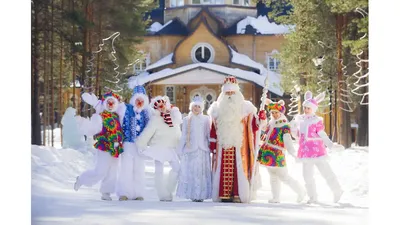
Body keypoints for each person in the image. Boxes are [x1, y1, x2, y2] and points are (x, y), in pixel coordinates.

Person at [207, 76, 267, 203]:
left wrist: (261, 119)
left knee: (239, 170)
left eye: (232, 92)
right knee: (223, 170)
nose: (229, 95)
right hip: (222, 146)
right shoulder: (216, 108)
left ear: (237, 93)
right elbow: (212, 128)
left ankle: (238, 194)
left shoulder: (246, 108)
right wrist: (212, 145)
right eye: (227, 92)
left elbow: (254, 126)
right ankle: (224, 194)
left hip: (240, 146)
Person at [290, 91, 344, 204]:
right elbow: (297, 136)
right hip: (305, 152)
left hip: (317, 151)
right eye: (305, 107)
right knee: (307, 176)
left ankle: (337, 190)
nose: (306, 110)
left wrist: (330, 145)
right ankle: (313, 196)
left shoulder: (317, 121)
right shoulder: (301, 120)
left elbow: (322, 134)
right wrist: (293, 129)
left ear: (313, 109)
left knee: (326, 172)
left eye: (308, 108)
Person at [74, 91, 124, 201]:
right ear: (105, 104)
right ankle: (82, 179)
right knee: (100, 171)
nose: (110, 105)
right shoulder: (100, 117)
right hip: (105, 147)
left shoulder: (118, 116)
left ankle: (106, 192)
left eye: (113, 103)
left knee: (113, 172)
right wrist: (83, 123)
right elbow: (92, 129)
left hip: (115, 148)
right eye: (108, 102)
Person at [258, 98, 305, 203]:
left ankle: (300, 191)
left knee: (284, 177)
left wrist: (292, 153)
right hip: (268, 153)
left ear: (281, 113)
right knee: (273, 177)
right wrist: (262, 117)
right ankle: (276, 197)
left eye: (276, 113)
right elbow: (262, 128)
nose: (274, 114)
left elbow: (287, 140)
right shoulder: (271, 123)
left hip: (277, 153)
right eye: (273, 112)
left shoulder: (284, 126)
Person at [136, 96, 183, 201]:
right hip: (158, 147)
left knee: (177, 169)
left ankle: (168, 189)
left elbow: (178, 131)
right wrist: (141, 143)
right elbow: (148, 132)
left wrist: (181, 144)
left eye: (162, 105)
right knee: (159, 171)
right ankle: (162, 194)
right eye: (158, 107)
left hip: (171, 147)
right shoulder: (155, 119)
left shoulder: (173, 116)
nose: (161, 108)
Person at [114, 84, 151, 201]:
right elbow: (114, 113)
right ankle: (124, 193)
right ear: (133, 99)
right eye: (137, 99)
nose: (139, 102)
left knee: (139, 169)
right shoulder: (125, 108)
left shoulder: (147, 113)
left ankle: (138, 193)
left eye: (141, 100)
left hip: (140, 146)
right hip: (128, 143)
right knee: (126, 168)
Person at [176, 96, 212, 202]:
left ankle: (201, 194)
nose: (196, 108)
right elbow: (184, 135)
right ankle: (193, 193)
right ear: (191, 107)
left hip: (202, 149)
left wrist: (212, 146)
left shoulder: (206, 119)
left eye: (198, 107)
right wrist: (180, 149)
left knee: (201, 172)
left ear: (201, 108)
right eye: (194, 106)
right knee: (192, 171)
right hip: (190, 148)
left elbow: (208, 134)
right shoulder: (187, 119)